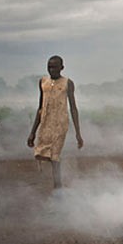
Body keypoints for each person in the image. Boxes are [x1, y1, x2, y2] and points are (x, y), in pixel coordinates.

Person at [27, 55, 83, 189]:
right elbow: (40, 107)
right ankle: (56, 181)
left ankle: (58, 185)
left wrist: (78, 133)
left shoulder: (67, 83)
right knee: (42, 152)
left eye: (54, 67)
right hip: (46, 122)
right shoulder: (43, 82)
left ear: (62, 68)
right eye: (49, 67)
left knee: (55, 155)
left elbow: (73, 108)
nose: (51, 70)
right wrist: (32, 132)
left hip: (60, 123)